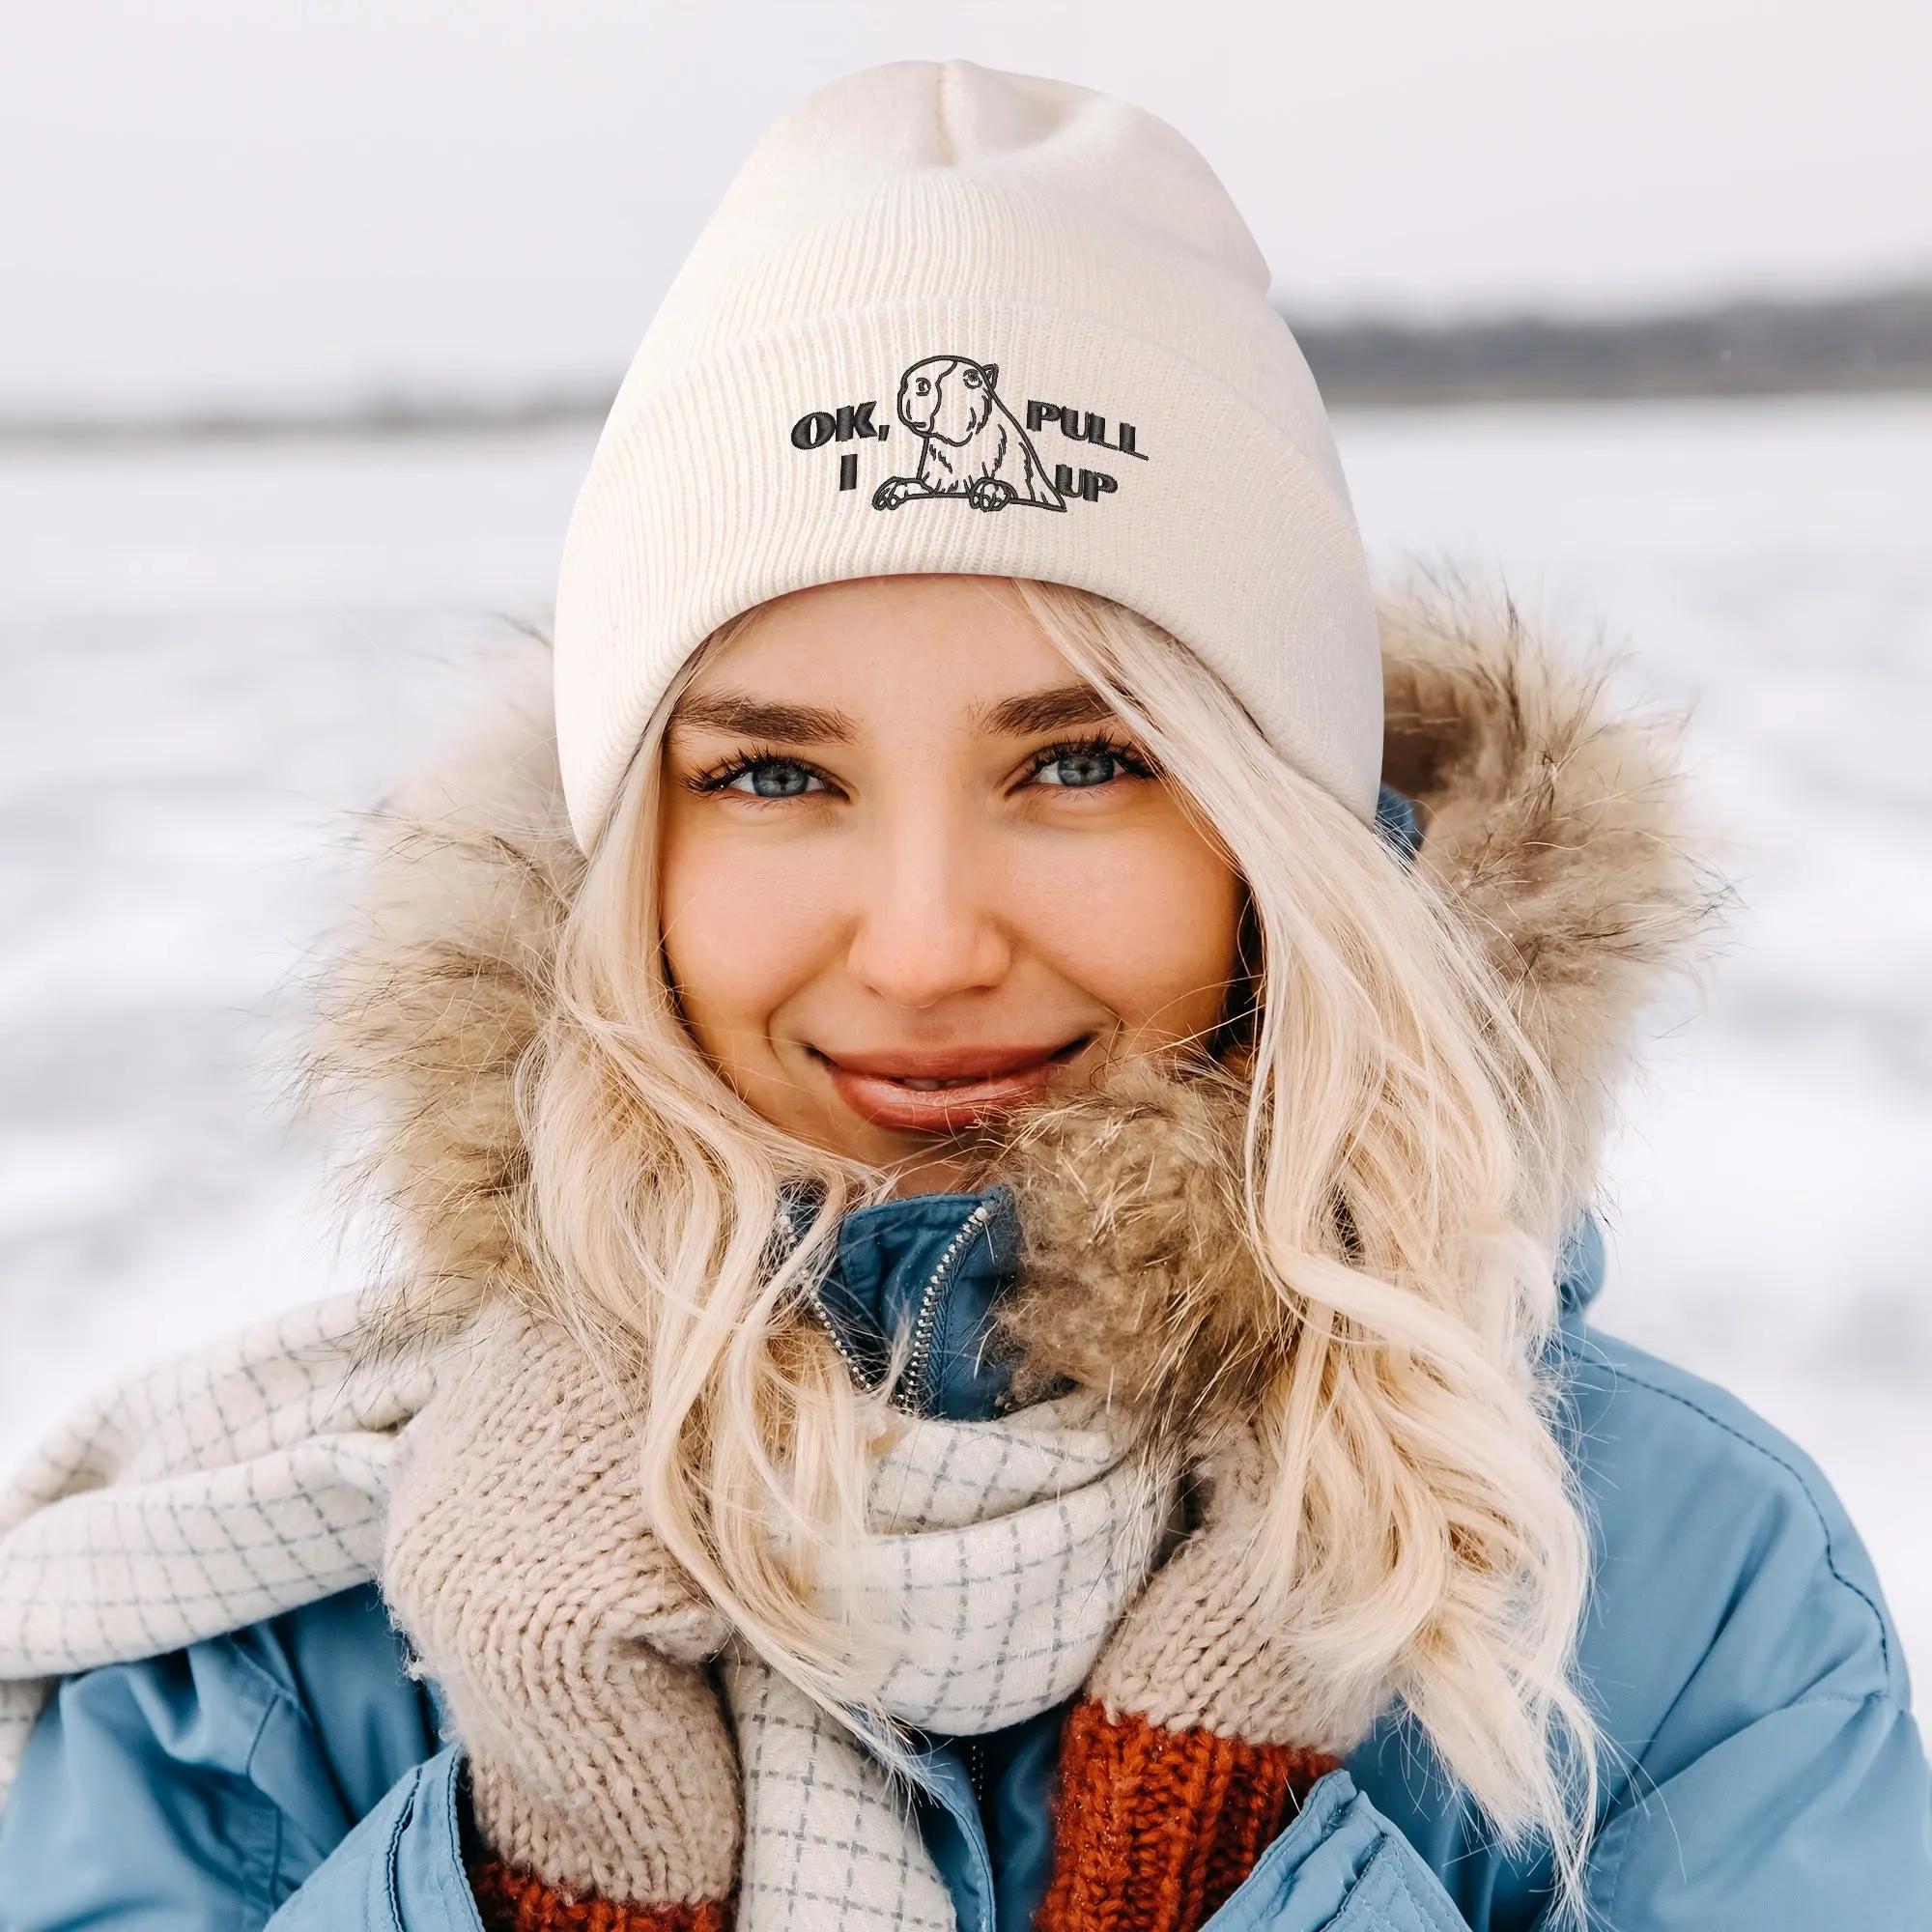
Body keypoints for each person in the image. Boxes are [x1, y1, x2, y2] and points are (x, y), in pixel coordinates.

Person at [0, 58, 1924, 1932]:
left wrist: (1204, 1857)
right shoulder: (272, 1631)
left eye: (1081, 762)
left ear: (1281, 836)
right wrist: (554, 1879)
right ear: (622, 860)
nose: (923, 947)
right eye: (770, 773)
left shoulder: (1667, 1598)